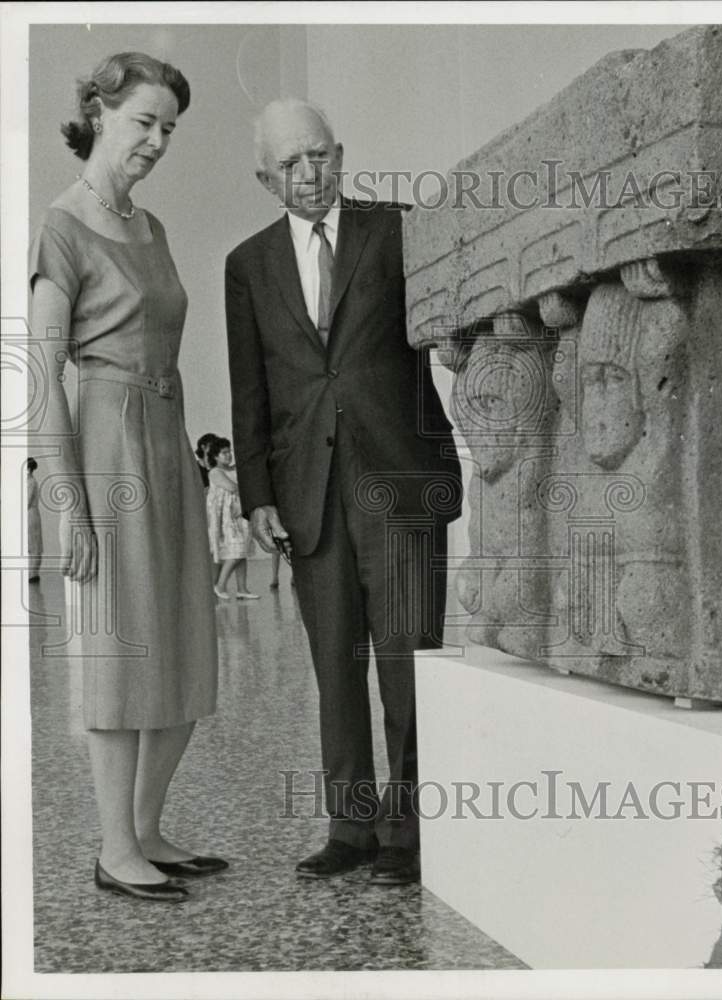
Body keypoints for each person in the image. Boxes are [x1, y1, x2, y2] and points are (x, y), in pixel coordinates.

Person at [225, 98, 461, 885]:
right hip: (308, 491)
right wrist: (257, 492)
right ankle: (350, 829)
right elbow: (250, 388)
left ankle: (407, 833)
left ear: (341, 153)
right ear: (267, 177)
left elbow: (443, 323)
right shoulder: (247, 265)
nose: (308, 173)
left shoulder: (395, 231)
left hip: (396, 479)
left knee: (404, 660)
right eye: (290, 163)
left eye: (319, 155)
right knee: (335, 666)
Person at [29, 52, 225, 904]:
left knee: (184, 639)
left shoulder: (153, 230)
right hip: (106, 441)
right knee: (118, 649)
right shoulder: (61, 228)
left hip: (168, 437)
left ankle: (147, 828)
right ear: (99, 113)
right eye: (144, 121)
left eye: (169, 130)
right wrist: (65, 504)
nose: (156, 141)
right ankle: (113, 848)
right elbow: (41, 378)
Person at [206, 436, 260, 600]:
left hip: (240, 515)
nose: (228, 455)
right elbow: (232, 487)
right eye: (224, 453)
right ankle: (220, 585)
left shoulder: (234, 470)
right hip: (227, 519)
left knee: (242, 552)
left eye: (229, 452)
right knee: (235, 551)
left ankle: (242, 588)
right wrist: (246, 492)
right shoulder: (215, 472)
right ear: (215, 456)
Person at [27, 457, 43, 584]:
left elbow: (26, 501)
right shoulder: (28, 482)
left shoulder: (31, 482)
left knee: (34, 544)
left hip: (30, 514)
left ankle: (33, 573)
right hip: (29, 514)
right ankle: (31, 573)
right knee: (31, 543)